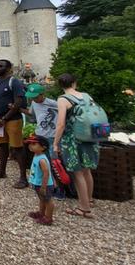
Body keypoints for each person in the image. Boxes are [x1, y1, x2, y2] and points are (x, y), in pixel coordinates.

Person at [53, 73, 99, 219]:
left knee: (78, 173)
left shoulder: (63, 99)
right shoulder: (86, 96)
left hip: (73, 139)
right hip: (90, 136)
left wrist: (55, 143)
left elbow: (61, 124)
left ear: (60, 85)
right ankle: (89, 200)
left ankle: (84, 208)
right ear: (74, 83)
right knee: (87, 170)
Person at [0, 59, 28, 189]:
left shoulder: (14, 82)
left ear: (9, 68)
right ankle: (2, 171)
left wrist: (5, 118)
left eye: (0, 66)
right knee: (2, 146)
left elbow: (18, 102)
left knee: (17, 147)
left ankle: (23, 178)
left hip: (12, 119)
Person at [25, 135, 55, 225]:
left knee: (48, 200)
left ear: (43, 147)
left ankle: (48, 217)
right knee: (42, 199)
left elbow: (46, 173)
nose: (30, 146)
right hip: (38, 183)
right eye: (30, 144)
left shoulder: (42, 159)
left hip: (44, 184)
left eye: (34, 144)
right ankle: (41, 213)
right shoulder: (36, 155)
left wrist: (44, 186)